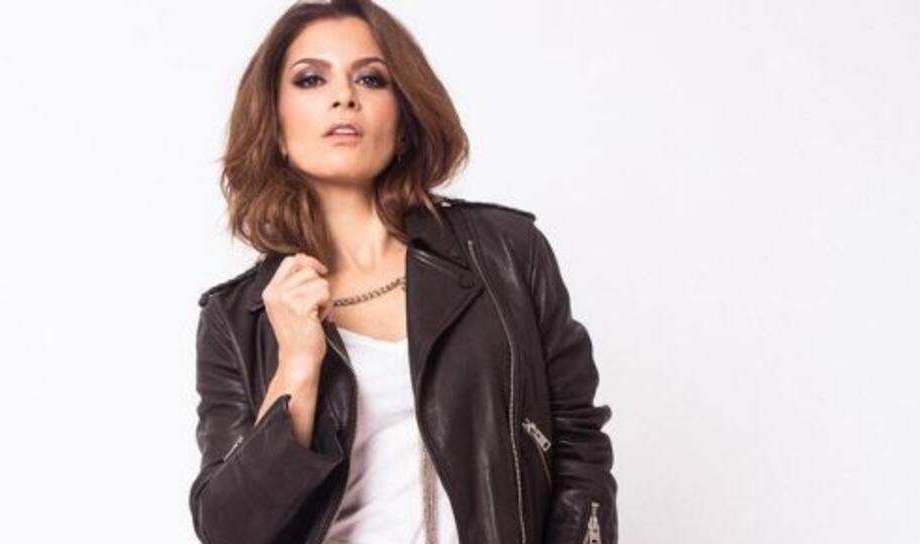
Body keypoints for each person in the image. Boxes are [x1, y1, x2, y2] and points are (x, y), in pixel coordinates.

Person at [188, 1, 617, 543]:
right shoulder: (240, 318)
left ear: (405, 118)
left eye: (371, 78)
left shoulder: (505, 254)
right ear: (274, 125)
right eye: (311, 79)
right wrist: (296, 365)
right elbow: (230, 531)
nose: (344, 97)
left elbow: (578, 448)